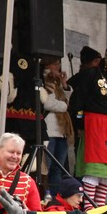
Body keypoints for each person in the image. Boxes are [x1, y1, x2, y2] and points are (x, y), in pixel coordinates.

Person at [69, 47, 107, 206]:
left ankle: (99, 208)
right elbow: (77, 101)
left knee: (106, 174)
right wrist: (80, 123)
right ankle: (89, 209)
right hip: (95, 125)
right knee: (94, 170)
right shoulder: (91, 74)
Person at [41, 56, 74, 192]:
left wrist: (64, 84)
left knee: (58, 169)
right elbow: (48, 103)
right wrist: (64, 106)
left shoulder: (58, 82)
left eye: (58, 64)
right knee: (46, 168)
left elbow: (68, 100)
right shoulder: (44, 79)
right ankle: (46, 196)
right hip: (49, 130)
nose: (57, 67)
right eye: (54, 64)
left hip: (62, 131)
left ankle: (55, 197)